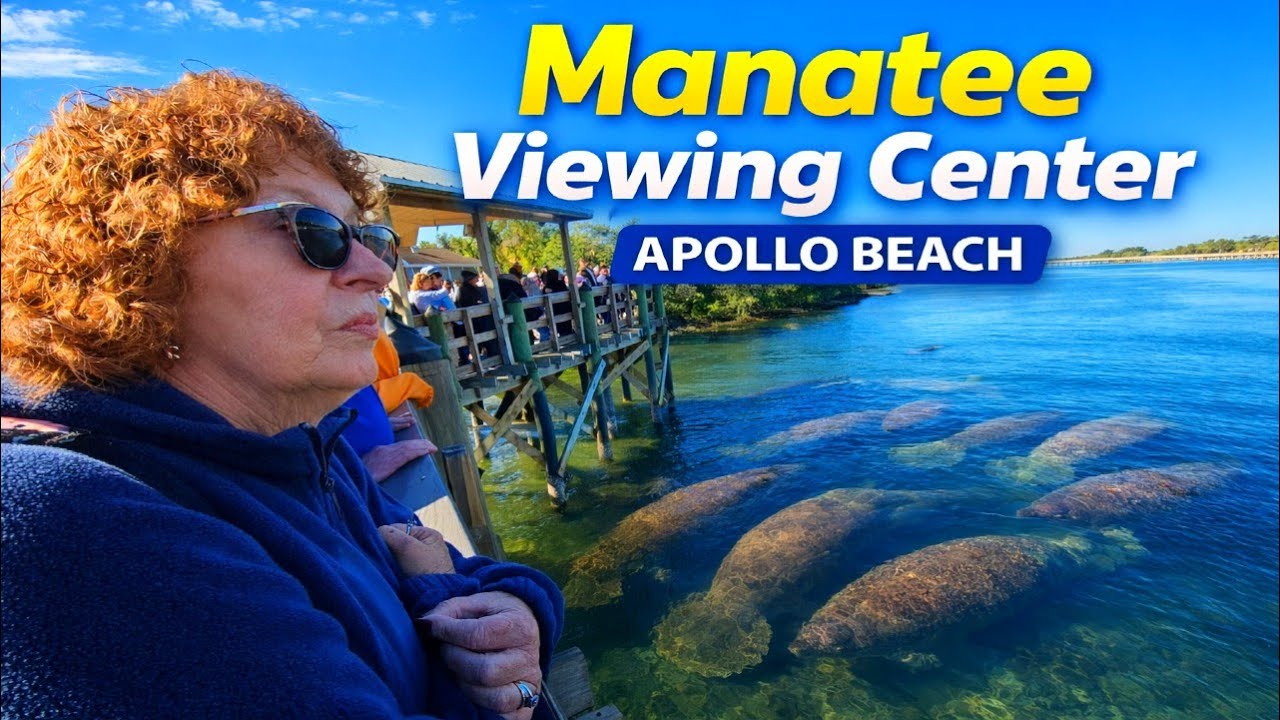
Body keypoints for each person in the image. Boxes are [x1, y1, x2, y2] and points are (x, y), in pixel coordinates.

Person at [0, 70, 561, 719]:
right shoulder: (68, 527)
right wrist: (482, 665)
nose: (375, 271)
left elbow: (462, 572)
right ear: (136, 260)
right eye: (317, 232)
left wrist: (520, 608)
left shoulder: (297, 443)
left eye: (373, 240)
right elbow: (439, 582)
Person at [455, 269, 498, 360]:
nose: (477, 279)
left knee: (478, 345)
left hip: (475, 321)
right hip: (477, 322)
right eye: (475, 277)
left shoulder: (464, 289)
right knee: (484, 343)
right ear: (470, 278)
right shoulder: (467, 290)